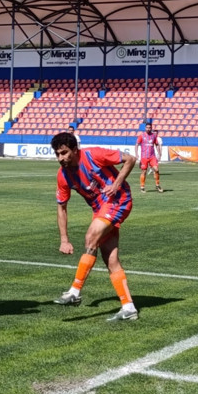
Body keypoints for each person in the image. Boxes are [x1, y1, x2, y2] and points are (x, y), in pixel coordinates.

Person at [51, 132, 139, 322]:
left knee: (91, 236)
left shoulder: (94, 155)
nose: (61, 158)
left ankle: (74, 291)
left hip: (118, 200)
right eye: (57, 154)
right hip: (100, 209)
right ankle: (128, 306)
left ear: (75, 150)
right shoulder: (63, 175)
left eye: (64, 153)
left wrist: (116, 184)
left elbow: (131, 159)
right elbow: (61, 207)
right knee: (111, 259)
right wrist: (64, 240)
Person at [134, 122, 163, 193]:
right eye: (147, 127)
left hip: (152, 156)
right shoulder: (141, 136)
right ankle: (142, 187)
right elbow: (137, 145)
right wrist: (136, 154)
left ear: (151, 128)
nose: (148, 129)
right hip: (144, 157)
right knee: (144, 171)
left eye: (149, 128)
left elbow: (156, 145)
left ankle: (157, 185)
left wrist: (159, 154)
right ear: (145, 128)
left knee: (156, 169)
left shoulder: (154, 136)